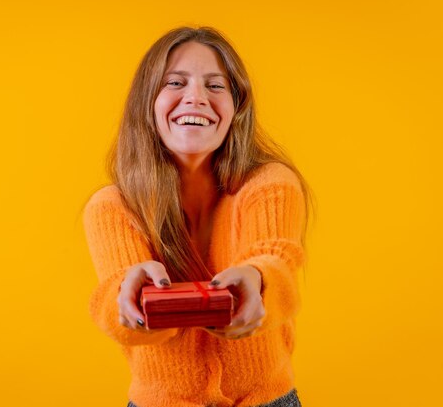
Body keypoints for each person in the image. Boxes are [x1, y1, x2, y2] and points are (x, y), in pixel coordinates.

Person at [83, 26, 313, 407]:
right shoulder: (112, 206)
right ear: (148, 103)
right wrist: (131, 297)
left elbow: (280, 264)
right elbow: (112, 307)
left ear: (237, 107)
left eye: (216, 86)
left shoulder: (270, 183)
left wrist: (257, 280)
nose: (196, 98)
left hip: (267, 400)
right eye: (175, 82)